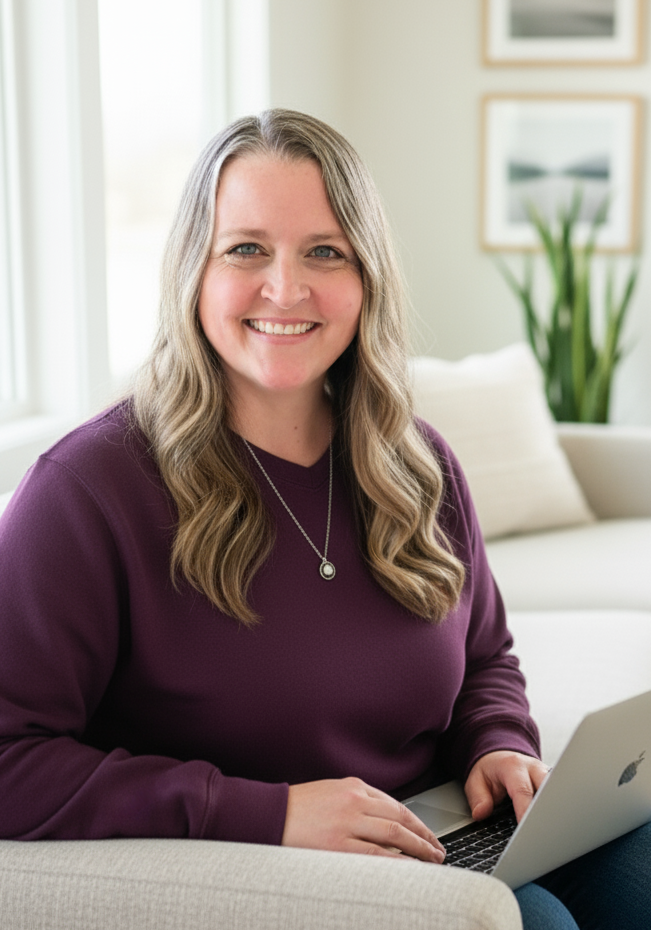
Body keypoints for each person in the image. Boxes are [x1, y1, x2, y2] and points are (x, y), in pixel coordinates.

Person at [0, 109, 647, 928]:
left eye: (324, 252)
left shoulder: (418, 462)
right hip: (266, 873)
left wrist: (498, 742)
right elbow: (8, 760)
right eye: (245, 249)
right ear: (192, 271)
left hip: (439, 834)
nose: (286, 287)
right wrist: (266, 813)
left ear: (365, 276)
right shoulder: (88, 490)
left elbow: (485, 655)